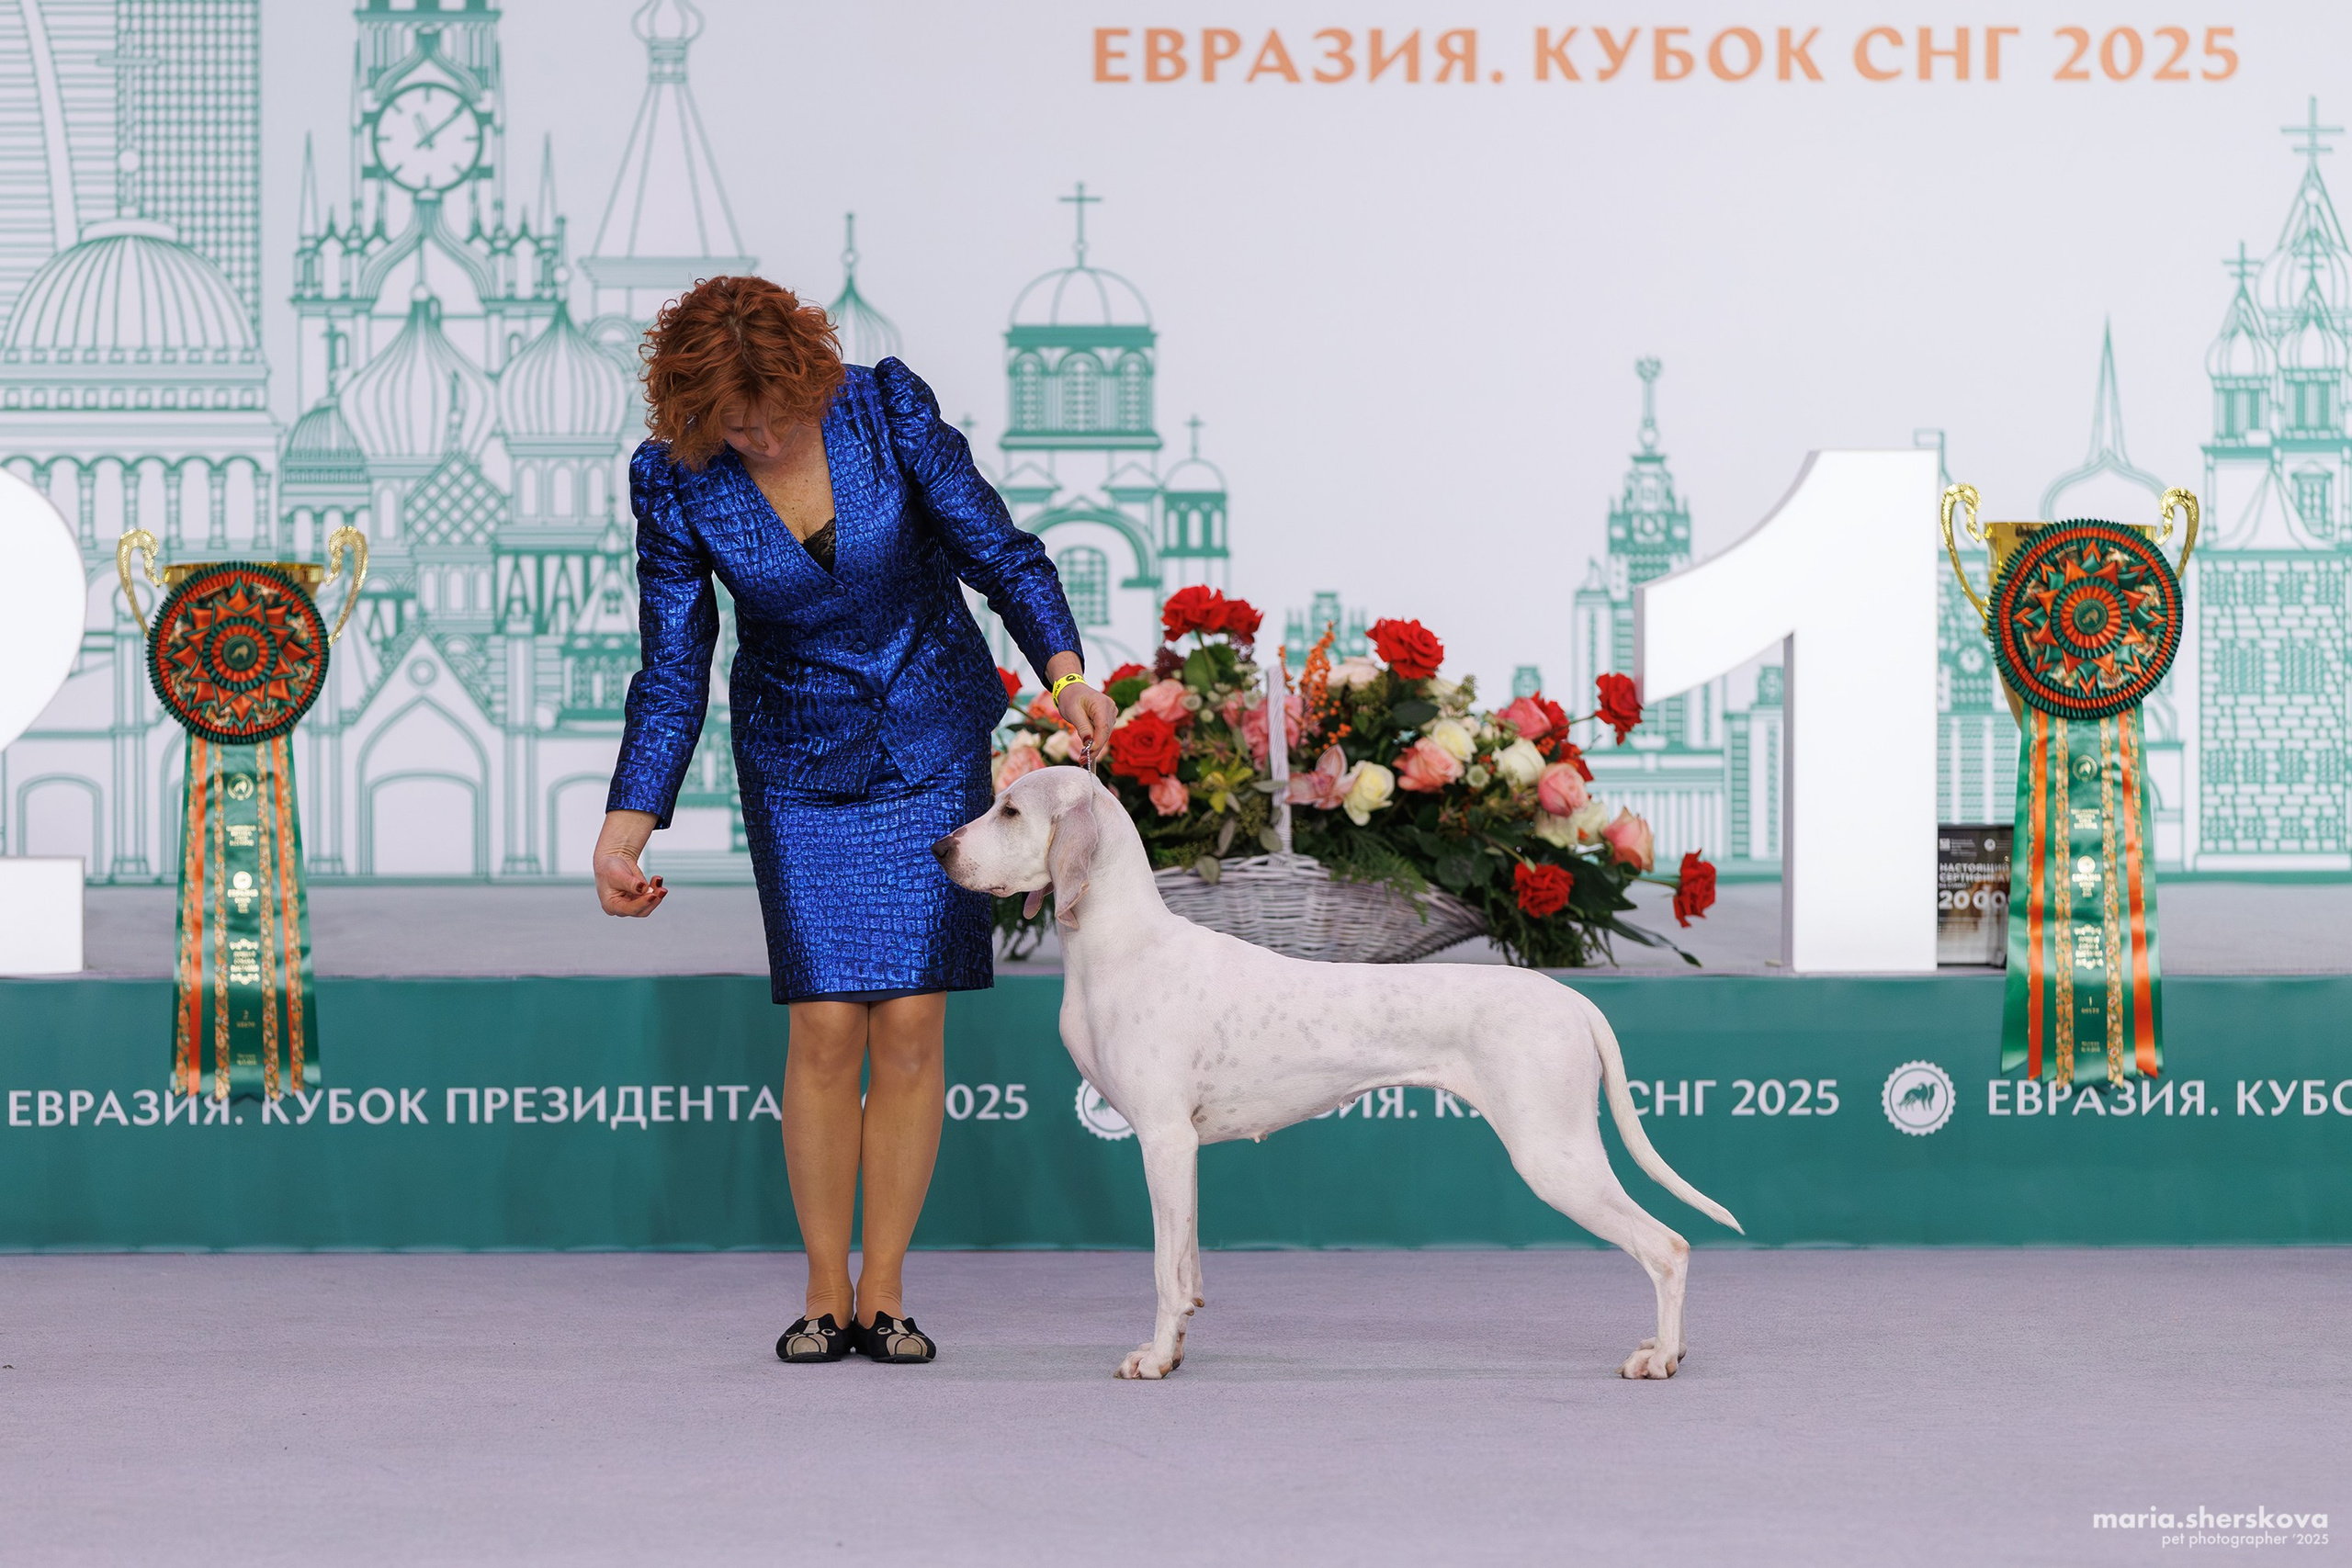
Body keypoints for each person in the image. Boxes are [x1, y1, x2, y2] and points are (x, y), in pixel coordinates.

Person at [594, 276, 1116, 1365]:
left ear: (806, 370)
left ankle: (885, 1292)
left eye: (774, 409)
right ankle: (823, 1288)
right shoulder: (674, 481)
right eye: (732, 421)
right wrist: (629, 820)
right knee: (827, 1025)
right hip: (798, 766)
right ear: (689, 408)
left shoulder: (885, 407)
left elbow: (999, 551)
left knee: (914, 1023)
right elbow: (674, 666)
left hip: (930, 744)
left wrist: (1064, 669)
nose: (759, 433)